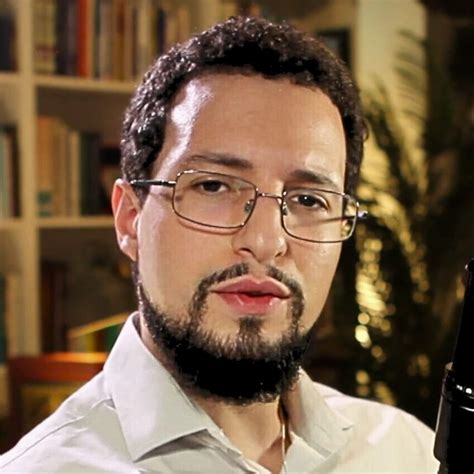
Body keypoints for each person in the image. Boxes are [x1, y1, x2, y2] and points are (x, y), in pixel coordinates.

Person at [1, 16, 438, 473]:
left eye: (309, 199)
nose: (266, 241)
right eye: (213, 186)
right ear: (130, 218)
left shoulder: (407, 452)